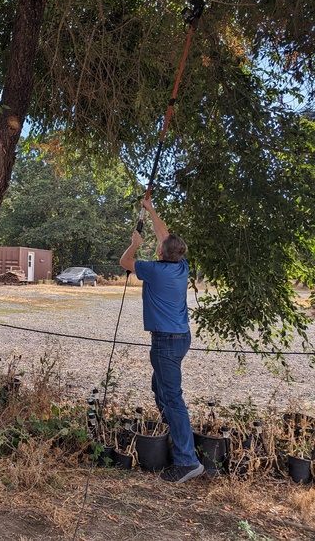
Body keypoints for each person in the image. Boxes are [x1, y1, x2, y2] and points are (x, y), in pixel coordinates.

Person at [120, 198, 204, 483]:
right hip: (179, 339)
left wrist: (134, 242)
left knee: (172, 398)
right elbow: (164, 236)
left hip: (166, 342)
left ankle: (186, 460)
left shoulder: (155, 270)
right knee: (160, 389)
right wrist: (150, 208)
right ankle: (175, 439)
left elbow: (125, 262)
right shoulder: (181, 267)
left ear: (161, 252)